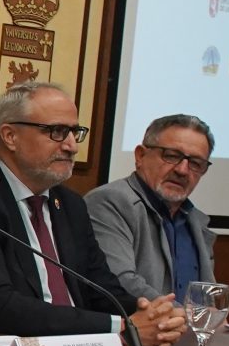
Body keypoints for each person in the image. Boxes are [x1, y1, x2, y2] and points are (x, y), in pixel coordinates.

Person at [0, 81, 185, 346]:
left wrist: (151, 316)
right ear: (10, 136)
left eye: (75, 132)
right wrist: (120, 327)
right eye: (58, 132)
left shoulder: (71, 205)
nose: (72, 146)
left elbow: (102, 289)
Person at [86, 113, 220, 304]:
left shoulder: (196, 221)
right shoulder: (109, 202)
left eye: (195, 164)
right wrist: (185, 318)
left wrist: (211, 318)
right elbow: (121, 280)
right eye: (172, 156)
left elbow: (207, 297)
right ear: (140, 155)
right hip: (133, 330)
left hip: (190, 332)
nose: (182, 170)